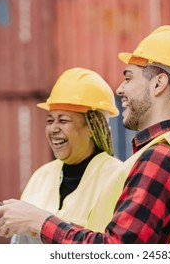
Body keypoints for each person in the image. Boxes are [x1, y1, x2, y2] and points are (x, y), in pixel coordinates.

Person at [0, 25, 170, 244]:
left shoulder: (159, 157)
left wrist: (40, 221)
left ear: (158, 84)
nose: (120, 89)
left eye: (128, 77)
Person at [10, 67, 123, 243]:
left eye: (63, 120)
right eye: (50, 120)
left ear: (91, 128)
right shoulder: (41, 176)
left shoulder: (118, 177)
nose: (53, 128)